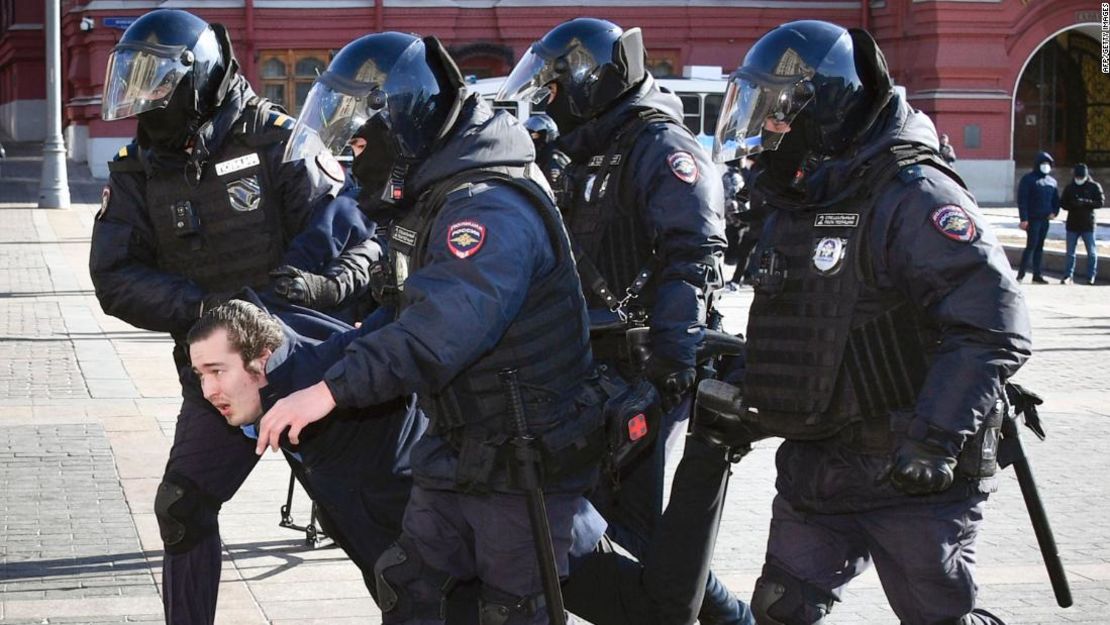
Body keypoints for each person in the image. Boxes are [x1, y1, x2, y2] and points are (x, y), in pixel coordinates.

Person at [256, 32, 607, 625]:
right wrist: (293, 369)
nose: (351, 158)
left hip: (523, 452)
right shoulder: (433, 198)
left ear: (402, 127)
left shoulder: (486, 207)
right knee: (410, 584)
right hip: (459, 441)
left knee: (515, 608)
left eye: (360, 141)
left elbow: (438, 331)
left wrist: (329, 391)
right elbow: (396, 315)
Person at [712, 20, 1032, 624]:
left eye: (778, 112)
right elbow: (805, 319)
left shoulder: (914, 194)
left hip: (909, 469)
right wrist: (741, 379)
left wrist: (936, 439)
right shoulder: (801, 196)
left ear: (827, 106)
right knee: (780, 608)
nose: (767, 128)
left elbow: (992, 323)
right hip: (819, 463)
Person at [89, 10, 373, 624]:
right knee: (183, 507)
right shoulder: (138, 166)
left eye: (157, 81)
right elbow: (114, 277)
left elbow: (338, 240)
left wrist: (265, 318)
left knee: (375, 525)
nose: (146, 98)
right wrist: (209, 314)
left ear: (198, 75)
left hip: (309, 369)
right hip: (218, 378)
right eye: (137, 82)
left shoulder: (280, 139)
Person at [498, 19, 749, 625]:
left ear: (590, 83)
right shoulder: (587, 146)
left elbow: (692, 256)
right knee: (600, 527)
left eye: (556, 89)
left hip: (645, 365)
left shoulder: (660, 147)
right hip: (591, 364)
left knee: (634, 534)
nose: (548, 101)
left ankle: (728, 618)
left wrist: (672, 362)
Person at [1016, 151, 1060, 283]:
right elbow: (1022, 200)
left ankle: (1037, 275)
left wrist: (1055, 212)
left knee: (1040, 247)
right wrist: (1024, 219)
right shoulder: (1028, 179)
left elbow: (1056, 200)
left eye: (1048, 164)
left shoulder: (1052, 182)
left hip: (1045, 219)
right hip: (1033, 219)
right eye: (1043, 163)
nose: (1045, 166)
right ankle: (1021, 274)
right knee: (1031, 246)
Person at [1060, 163, 1103, 285]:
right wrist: (1072, 204)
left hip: (1088, 224)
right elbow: (1063, 203)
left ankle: (1090, 276)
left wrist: (1086, 202)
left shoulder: (1094, 186)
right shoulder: (1070, 187)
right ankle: (1068, 276)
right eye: (1077, 178)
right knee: (1070, 253)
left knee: (1091, 252)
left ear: (1086, 176)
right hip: (1073, 224)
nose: (1079, 180)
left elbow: (1100, 202)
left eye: (1081, 178)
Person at [525, 112, 571, 201]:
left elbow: (553, 188)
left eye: (535, 135)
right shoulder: (540, 156)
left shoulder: (554, 157)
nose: (531, 139)